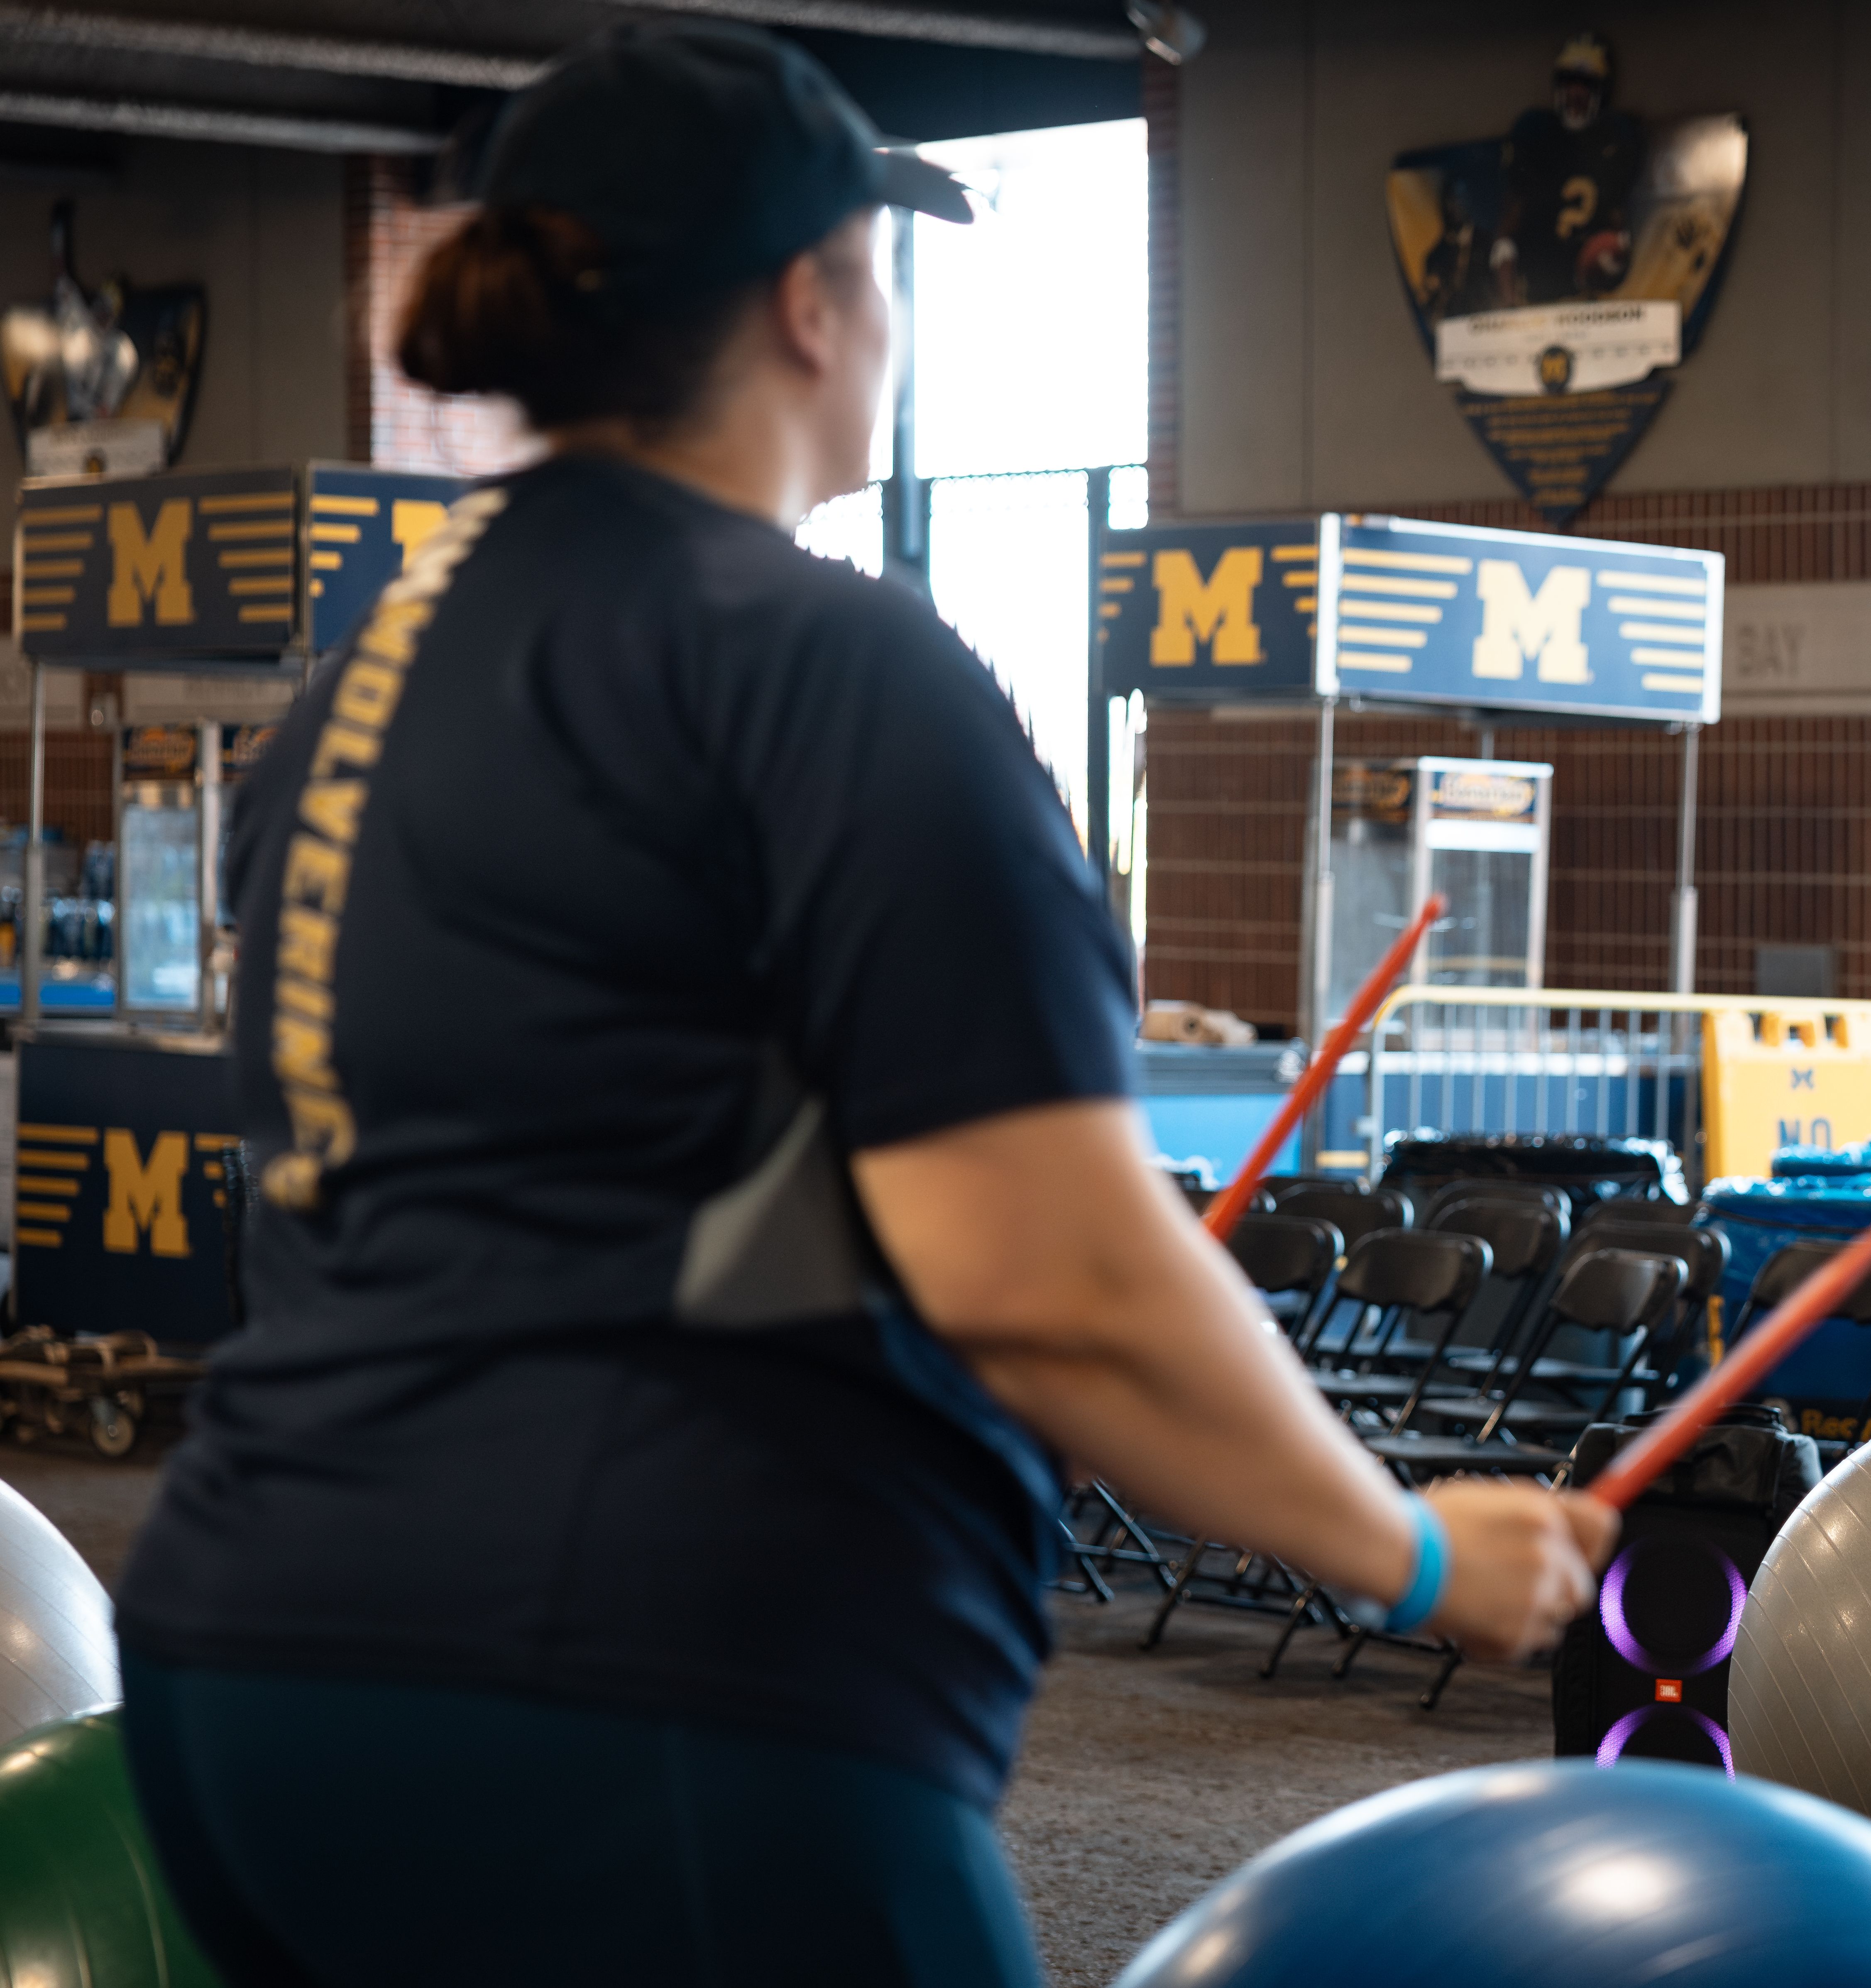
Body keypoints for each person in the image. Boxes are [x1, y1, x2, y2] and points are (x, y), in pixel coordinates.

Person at [112, 26, 1612, 1987]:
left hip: (253, 1673)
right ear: (816, 306)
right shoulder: (832, 668)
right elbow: (1050, 1276)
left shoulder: (359, 694)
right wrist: (1410, 1552)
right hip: (648, 1692)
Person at [1491, 34, 1646, 305]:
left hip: (1591, 286)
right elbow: (1511, 216)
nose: (1576, 94)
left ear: (1601, 91)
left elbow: (1621, 220)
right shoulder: (1535, 132)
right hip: (1539, 278)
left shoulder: (1617, 138)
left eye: (1586, 85)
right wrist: (1508, 292)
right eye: (1569, 83)